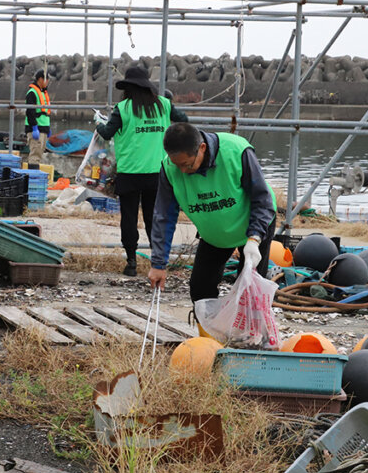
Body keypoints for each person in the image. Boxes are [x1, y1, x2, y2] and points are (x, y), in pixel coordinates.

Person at [147, 122, 277, 314]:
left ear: (202, 148)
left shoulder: (236, 151)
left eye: (187, 165)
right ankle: (208, 340)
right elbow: (163, 215)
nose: (182, 171)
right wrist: (158, 264)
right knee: (200, 289)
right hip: (214, 233)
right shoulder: (170, 168)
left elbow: (262, 198)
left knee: (249, 292)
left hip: (252, 227)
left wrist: (255, 238)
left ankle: (248, 339)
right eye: (177, 165)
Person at [95, 65, 188, 277]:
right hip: (157, 172)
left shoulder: (123, 108)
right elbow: (183, 119)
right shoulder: (164, 105)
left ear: (127, 88)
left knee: (128, 218)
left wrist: (98, 124)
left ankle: (131, 263)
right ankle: (158, 262)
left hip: (129, 172)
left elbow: (107, 133)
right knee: (153, 218)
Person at [24, 69, 51, 165]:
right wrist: (34, 127)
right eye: (46, 79)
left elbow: (45, 113)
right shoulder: (32, 93)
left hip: (43, 129)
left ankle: (35, 176)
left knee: (39, 155)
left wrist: (48, 129)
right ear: (40, 79)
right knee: (35, 156)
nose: (47, 81)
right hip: (36, 130)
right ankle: (33, 178)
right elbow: (30, 112)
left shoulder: (43, 93)